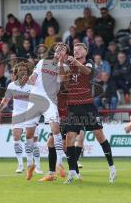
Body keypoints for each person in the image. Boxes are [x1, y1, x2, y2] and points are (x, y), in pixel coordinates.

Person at [63, 43, 116, 183]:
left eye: (79, 49)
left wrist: (73, 62)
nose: (76, 51)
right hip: (73, 108)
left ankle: (112, 169)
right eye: (74, 50)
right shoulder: (69, 66)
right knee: (69, 138)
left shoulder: (89, 63)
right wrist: (64, 74)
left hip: (87, 106)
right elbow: (65, 86)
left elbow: (87, 72)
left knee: (99, 136)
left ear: (86, 52)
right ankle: (72, 172)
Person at [25, 43, 69, 181]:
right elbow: (33, 77)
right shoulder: (43, 62)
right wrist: (28, 79)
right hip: (34, 99)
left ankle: (60, 163)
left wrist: (61, 63)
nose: (59, 52)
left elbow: (61, 79)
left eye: (63, 51)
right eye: (58, 50)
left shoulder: (65, 67)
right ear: (54, 52)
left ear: (66, 55)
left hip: (50, 101)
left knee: (55, 129)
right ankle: (30, 164)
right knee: (29, 134)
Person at [0, 62, 43, 174]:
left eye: (24, 70)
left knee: (33, 141)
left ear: (28, 72)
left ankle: (37, 165)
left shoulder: (32, 85)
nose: (23, 72)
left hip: (31, 114)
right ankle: (20, 165)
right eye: (20, 70)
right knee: (16, 138)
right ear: (16, 73)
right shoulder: (12, 85)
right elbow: (5, 100)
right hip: (17, 114)